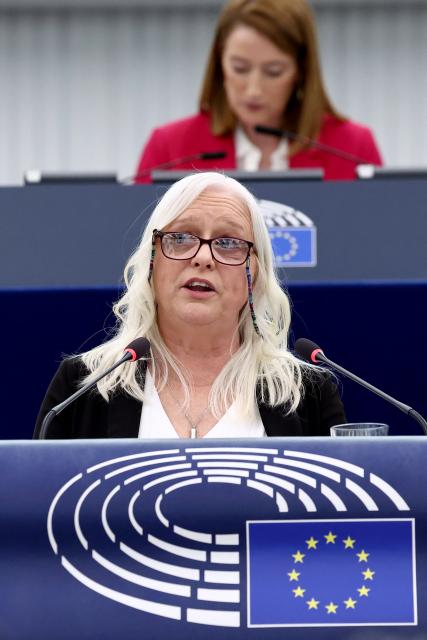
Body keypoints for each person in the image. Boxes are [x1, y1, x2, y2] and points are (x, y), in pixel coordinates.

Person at [34, 172, 345, 439]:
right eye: (181, 237)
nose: (203, 258)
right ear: (151, 262)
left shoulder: (307, 394)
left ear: (256, 274)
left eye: (228, 243)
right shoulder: (83, 386)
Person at [135, 0, 382, 183]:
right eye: (240, 68)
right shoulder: (170, 148)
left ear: (301, 70)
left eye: (274, 71)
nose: (253, 90)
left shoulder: (353, 148)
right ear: (220, 62)